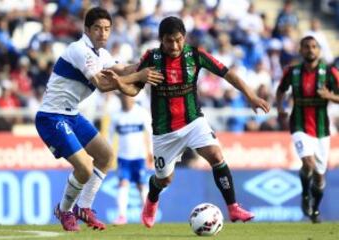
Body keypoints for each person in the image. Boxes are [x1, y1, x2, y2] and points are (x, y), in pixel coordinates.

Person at [107, 16, 270, 228]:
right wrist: (121, 84)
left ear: (184, 38)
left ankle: (233, 207)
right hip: (165, 132)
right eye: (169, 41)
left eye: (178, 40)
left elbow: (229, 75)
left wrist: (251, 96)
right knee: (164, 180)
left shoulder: (195, 55)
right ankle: (152, 199)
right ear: (161, 40)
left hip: (194, 122)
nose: (174, 45)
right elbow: (134, 89)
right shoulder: (152, 58)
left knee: (216, 155)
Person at [35, 7, 163, 232]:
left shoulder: (101, 54)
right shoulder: (79, 50)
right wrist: (139, 76)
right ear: (87, 29)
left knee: (106, 156)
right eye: (97, 28)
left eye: (107, 29)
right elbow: (103, 85)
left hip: (71, 114)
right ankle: (64, 210)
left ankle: (84, 207)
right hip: (51, 116)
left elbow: (123, 69)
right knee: (84, 167)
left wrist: (148, 62)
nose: (103, 33)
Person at [276, 35, 339, 223]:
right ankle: (305, 195)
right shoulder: (292, 72)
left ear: (319, 50)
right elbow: (281, 90)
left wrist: (331, 95)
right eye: (306, 47)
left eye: (314, 46)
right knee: (308, 164)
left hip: (321, 129)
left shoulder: (329, 72)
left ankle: (315, 209)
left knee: (320, 177)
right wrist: (280, 108)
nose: (310, 50)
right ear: (300, 50)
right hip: (299, 124)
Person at [109, 94, 153, 225]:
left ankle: (147, 215)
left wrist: (151, 151)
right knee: (123, 183)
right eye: (123, 97)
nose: (126, 99)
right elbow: (110, 137)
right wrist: (109, 154)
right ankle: (122, 216)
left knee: (141, 184)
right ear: (120, 98)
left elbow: (150, 132)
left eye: (128, 97)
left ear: (133, 98)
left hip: (139, 156)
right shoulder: (116, 116)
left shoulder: (141, 113)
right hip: (123, 157)